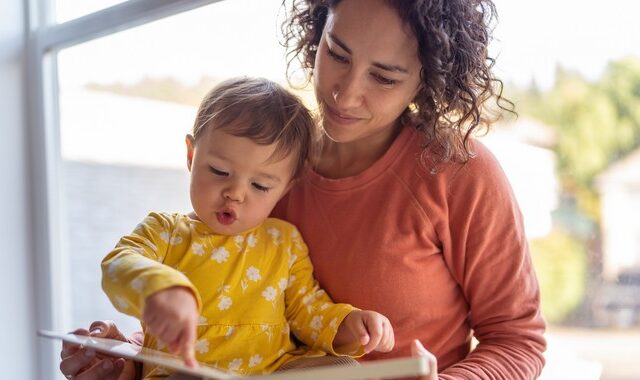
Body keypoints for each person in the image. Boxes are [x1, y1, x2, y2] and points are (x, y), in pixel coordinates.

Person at [60, 0, 546, 379]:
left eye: (384, 76)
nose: (345, 92)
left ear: (426, 80)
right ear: (317, 30)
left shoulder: (459, 174)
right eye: (336, 53)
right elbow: (226, 323)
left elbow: (518, 339)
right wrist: (125, 363)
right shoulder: (266, 166)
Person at [87, 77, 395, 379]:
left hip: (273, 371)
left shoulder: (283, 241)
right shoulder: (165, 231)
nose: (235, 193)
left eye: (260, 185)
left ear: (286, 188)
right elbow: (117, 265)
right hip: (185, 370)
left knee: (343, 370)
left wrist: (349, 327)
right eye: (219, 171)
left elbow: (308, 311)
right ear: (191, 156)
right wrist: (160, 288)